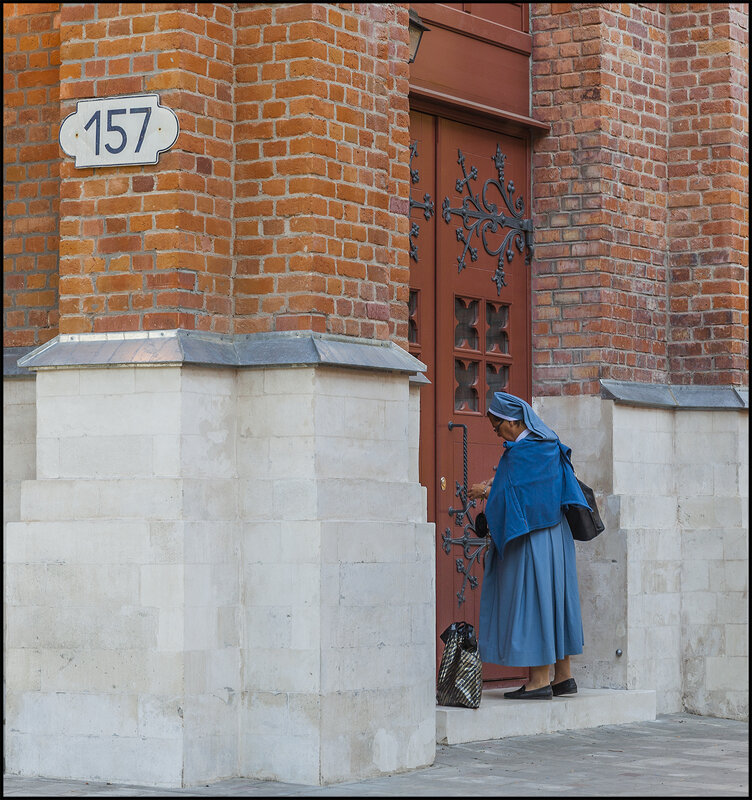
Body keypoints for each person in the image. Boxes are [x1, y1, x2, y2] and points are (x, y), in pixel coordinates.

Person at [468, 391, 589, 700]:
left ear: (512, 422)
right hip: (556, 536)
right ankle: (563, 677)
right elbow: (532, 487)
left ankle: (538, 681)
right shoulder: (549, 444)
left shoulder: (518, 454)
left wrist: (484, 492)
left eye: (497, 427)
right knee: (555, 600)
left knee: (536, 600)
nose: (497, 435)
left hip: (533, 538)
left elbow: (511, 498)